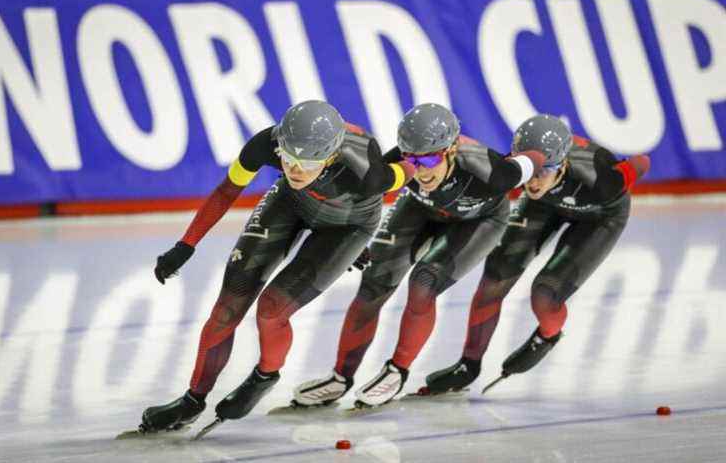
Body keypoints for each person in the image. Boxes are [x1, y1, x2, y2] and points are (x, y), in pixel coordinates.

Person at [134, 100, 415, 434]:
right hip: (291, 204)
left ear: (330, 157)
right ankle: (192, 400)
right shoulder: (266, 143)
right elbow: (227, 191)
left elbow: (412, 164)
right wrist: (186, 244)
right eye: (288, 158)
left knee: (271, 311)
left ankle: (265, 375)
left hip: (348, 227)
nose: (294, 170)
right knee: (227, 307)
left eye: (306, 163)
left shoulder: (367, 171)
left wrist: (359, 245)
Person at [290, 103, 547, 409]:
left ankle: (397, 371)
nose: (421, 170)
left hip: (479, 220)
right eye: (413, 159)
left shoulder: (491, 171)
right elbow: (363, 195)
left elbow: (535, 159)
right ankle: (340, 378)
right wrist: (352, 239)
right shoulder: (400, 161)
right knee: (374, 281)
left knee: (423, 283)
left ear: (451, 149)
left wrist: (544, 157)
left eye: (429, 158)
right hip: (419, 209)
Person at [423, 114, 651, 394]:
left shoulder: (601, 180)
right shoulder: (517, 172)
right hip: (543, 205)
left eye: (544, 171)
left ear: (563, 163)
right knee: (495, 276)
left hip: (600, 215)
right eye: (530, 170)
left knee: (545, 293)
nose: (532, 181)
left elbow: (642, 161)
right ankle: (468, 365)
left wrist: (625, 170)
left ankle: (548, 335)